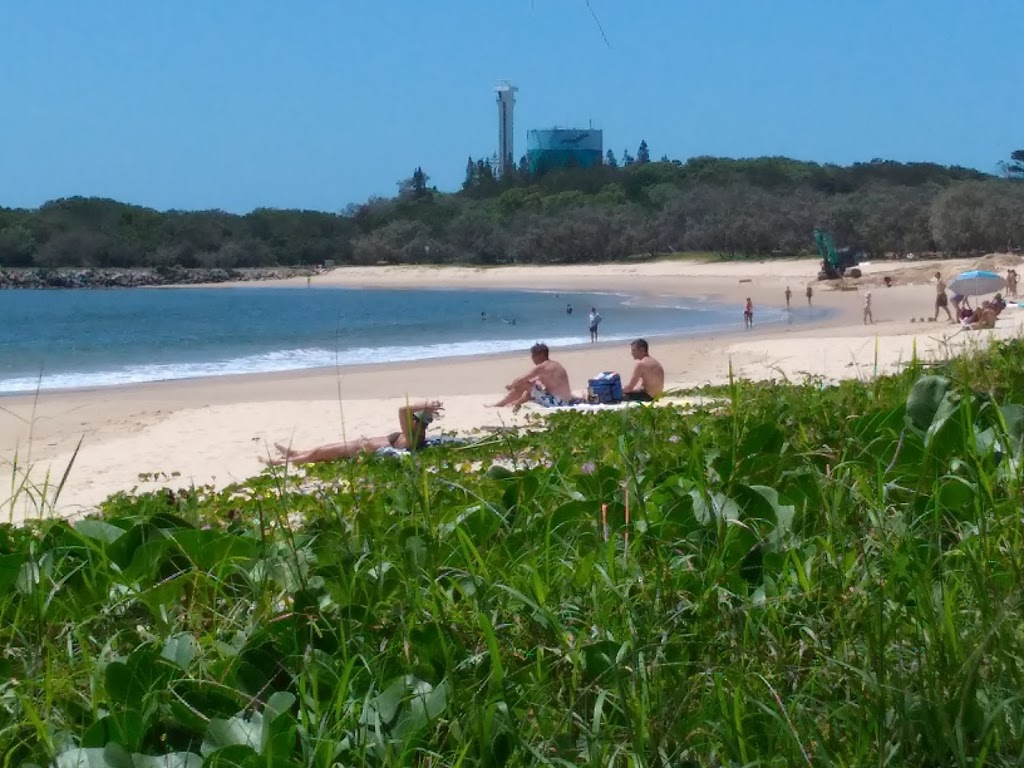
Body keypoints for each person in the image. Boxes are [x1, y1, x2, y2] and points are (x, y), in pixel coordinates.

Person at [262, 400, 445, 466]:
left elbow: (401, 409)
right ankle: (293, 454)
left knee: (318, 454)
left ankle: (279, 463)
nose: (411, 419)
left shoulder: (413, 436)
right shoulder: (415, 433)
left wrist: (425, 406)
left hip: (359, 450)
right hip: (359, 444)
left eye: (414, 418)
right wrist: (428, 407)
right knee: (320, 449)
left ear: (417, 422)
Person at [492, 342, 576, 409]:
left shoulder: (543, 367)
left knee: (524, 384)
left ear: (541, 355)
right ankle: (514, 403)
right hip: (563, 401)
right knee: (533, 386)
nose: (532, 358)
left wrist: (511, 386)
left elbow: (520, 380)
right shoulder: (554, 365)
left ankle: (500, 404)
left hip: (557, 403)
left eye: (533, 355)